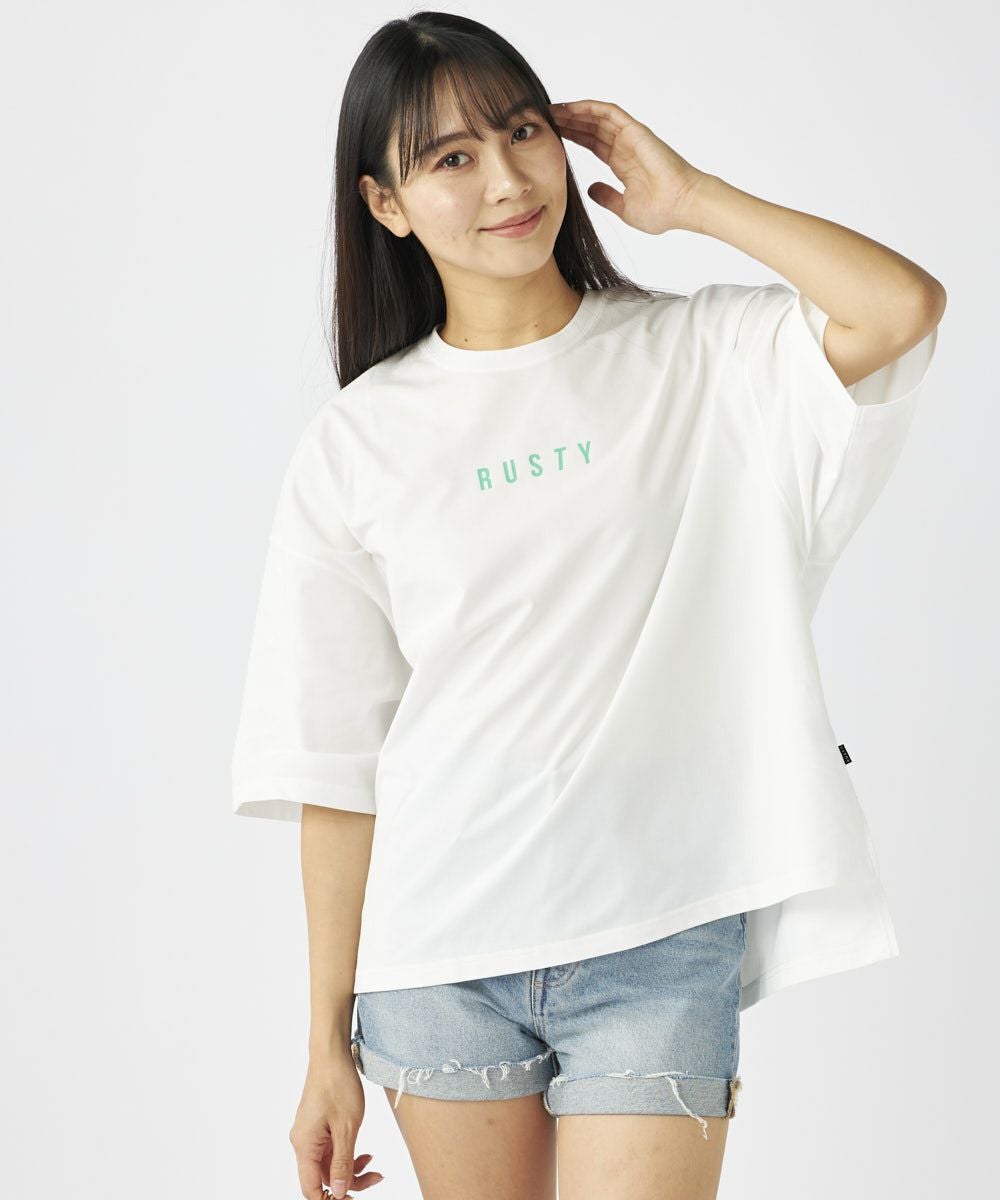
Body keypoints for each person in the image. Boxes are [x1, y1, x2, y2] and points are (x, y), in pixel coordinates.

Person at [230, 11, 945, 1200]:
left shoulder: (702, 356)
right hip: (439, 952)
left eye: (522, 133)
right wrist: (323, 1047)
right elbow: (336, 765)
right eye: (451, 157)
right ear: (385, 203)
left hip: (657, 938)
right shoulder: (358, 441)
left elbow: (899, 307)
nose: (507, 181)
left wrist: (694, 199)